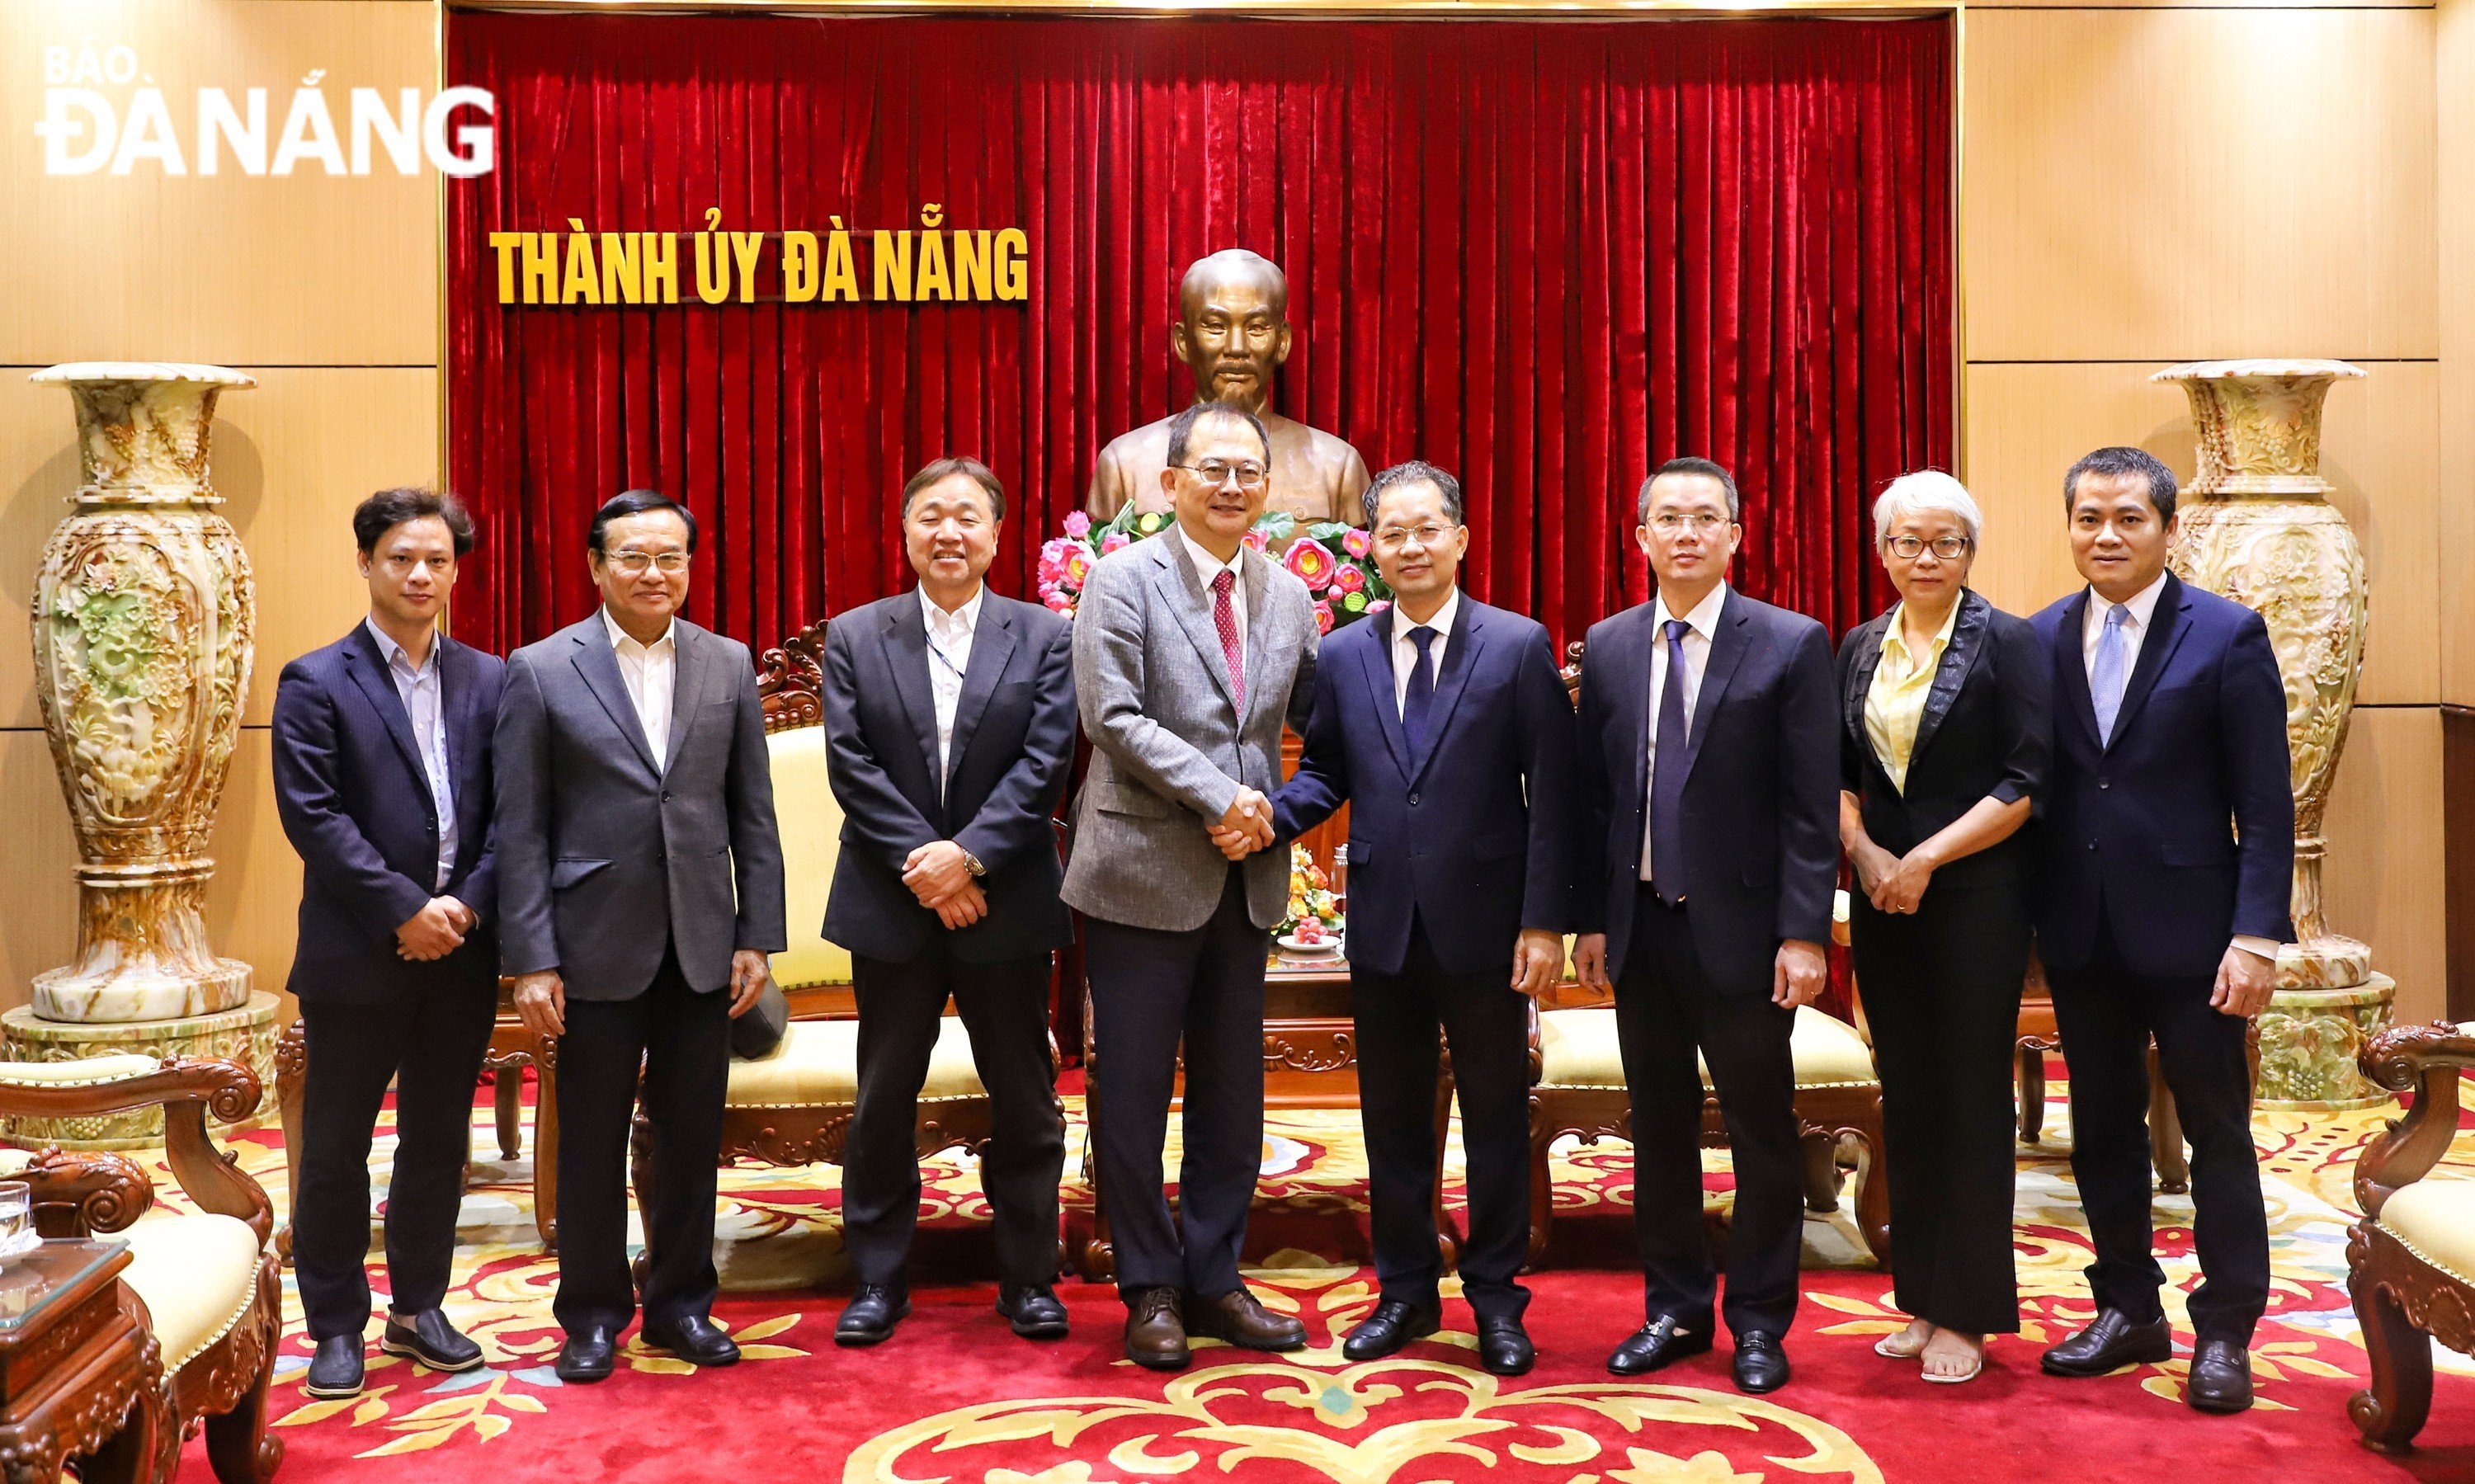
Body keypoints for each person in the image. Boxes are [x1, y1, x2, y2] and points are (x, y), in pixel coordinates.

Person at [1236, 460, 1578, 1376]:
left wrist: (1544, 922)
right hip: (1384, 924)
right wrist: (1268, 811)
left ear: (1460, 538)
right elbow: (1328, 773)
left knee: (1497, 1118)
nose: (1411, 546)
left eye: (1428, 529)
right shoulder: (1345, 652)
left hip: (1490, 929)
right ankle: (1405, 1290)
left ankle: (1499, 1298)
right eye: (1392, 532)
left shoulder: (1515, 645)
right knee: (1389, 1119)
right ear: (1372, 547)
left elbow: (1555, 793)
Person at [495, 488, 788, 1384]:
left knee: (693, 1133)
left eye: (671, 557)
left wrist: (758, 934)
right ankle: (589, 1313)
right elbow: (521, 827)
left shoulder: (727, 662)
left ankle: (681, 1304)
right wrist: (532, 957)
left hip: (702, 940)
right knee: (588, 1138)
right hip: (589, 946)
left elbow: (753, 810)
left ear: (691, 567)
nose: (654, 572)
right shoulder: (542, 668)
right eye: (634, 556)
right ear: (596, 565)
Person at [2031, 447, 2292, 1414]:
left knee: (2218, 1132)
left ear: (2168, 528)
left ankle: (2226, 1327)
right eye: (2089, 517)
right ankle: (2129, 1307)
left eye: (2129, 518)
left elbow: (2267, 805)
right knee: (2099, 1126)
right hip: (2080, 931)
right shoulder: (2041, 636)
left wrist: (2257, 935)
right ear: (2069, 527)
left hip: (2198, 936)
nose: (2107, 534)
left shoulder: (2226, 635)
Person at [1063, 399, 1319, 1370]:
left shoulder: (1289, 595)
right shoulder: (1121, 582)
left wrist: (1270, 813)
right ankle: (1150, 1286)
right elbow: (1113, 717)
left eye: (1247, 471)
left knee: (1231, 1094)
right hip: (1139, 869)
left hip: (1243, 875)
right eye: (1210, 469)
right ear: (1170, 483)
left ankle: (1214, 1276)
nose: (1230, 485)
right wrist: (1226, 794)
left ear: (1266, 487)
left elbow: (1301, 724)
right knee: (1128, 1092)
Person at [1572, 457, 1838, 1395]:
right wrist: (1589, 921)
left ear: (1736, 535)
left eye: (1705, 518)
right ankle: (1674, 1308)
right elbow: (1595, 798)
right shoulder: (1605, 646)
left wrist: (1803, 932)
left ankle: (1760, 1320)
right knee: (1659, 1131)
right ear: (1638, 538)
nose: (1685, 533)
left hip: (1749, 936)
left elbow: (1811, 806)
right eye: (1666, 519)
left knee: (1762, 1133)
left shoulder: (1792, 642)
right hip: (1642, 929)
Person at [819, 457, 1078, 1347]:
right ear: (904, 533)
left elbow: (1045, 762)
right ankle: (878, 1277)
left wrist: (967, 860)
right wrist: (926, 867)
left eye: (968, 516)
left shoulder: (1043, 635)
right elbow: (851, 764)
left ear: (998, 535)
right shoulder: (856, 634)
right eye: (930, 515)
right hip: (890, 903)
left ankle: (1030, 1276)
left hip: (1003, 899)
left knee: (1025, 1092)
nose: (949, 532)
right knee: (885, 1093)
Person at [272, 489, 505, 1400]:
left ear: (455, 570)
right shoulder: (316, 679)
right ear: (365, 563)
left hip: (461, 949)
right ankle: (335, 1322)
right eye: (401, 557)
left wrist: (464, 908)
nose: (420, 574)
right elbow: (315, 817)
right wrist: (405, 907)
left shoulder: (491, 679)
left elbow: (511, 815)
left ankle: (420, 1304)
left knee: (440, 1139)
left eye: (437, 560)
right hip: (358, 950)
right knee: (336, 1145)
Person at [1836, 471, 2050, 1384]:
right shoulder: (1856, 646)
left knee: (1969, 1099)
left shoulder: (2011, 642)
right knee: (1908, 1093)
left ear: (1970, 550)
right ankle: (1921, 1296)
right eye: (1908, 541)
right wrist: (1869, 855)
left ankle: (1970, 1309)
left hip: (1975, 898)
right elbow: (1836, 772)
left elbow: (2027, 779)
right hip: (1884, 902)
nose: (1927, 558)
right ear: (1882, 551)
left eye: (1947, 542)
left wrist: (1920, 858)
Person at [1086, 249, 1369, 530]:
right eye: (1216, 326)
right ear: (1183, 341)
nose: (1236, 348)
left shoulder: (1337, 468)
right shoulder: (1125, 465)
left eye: (1257, 328)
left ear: (1282, 341)